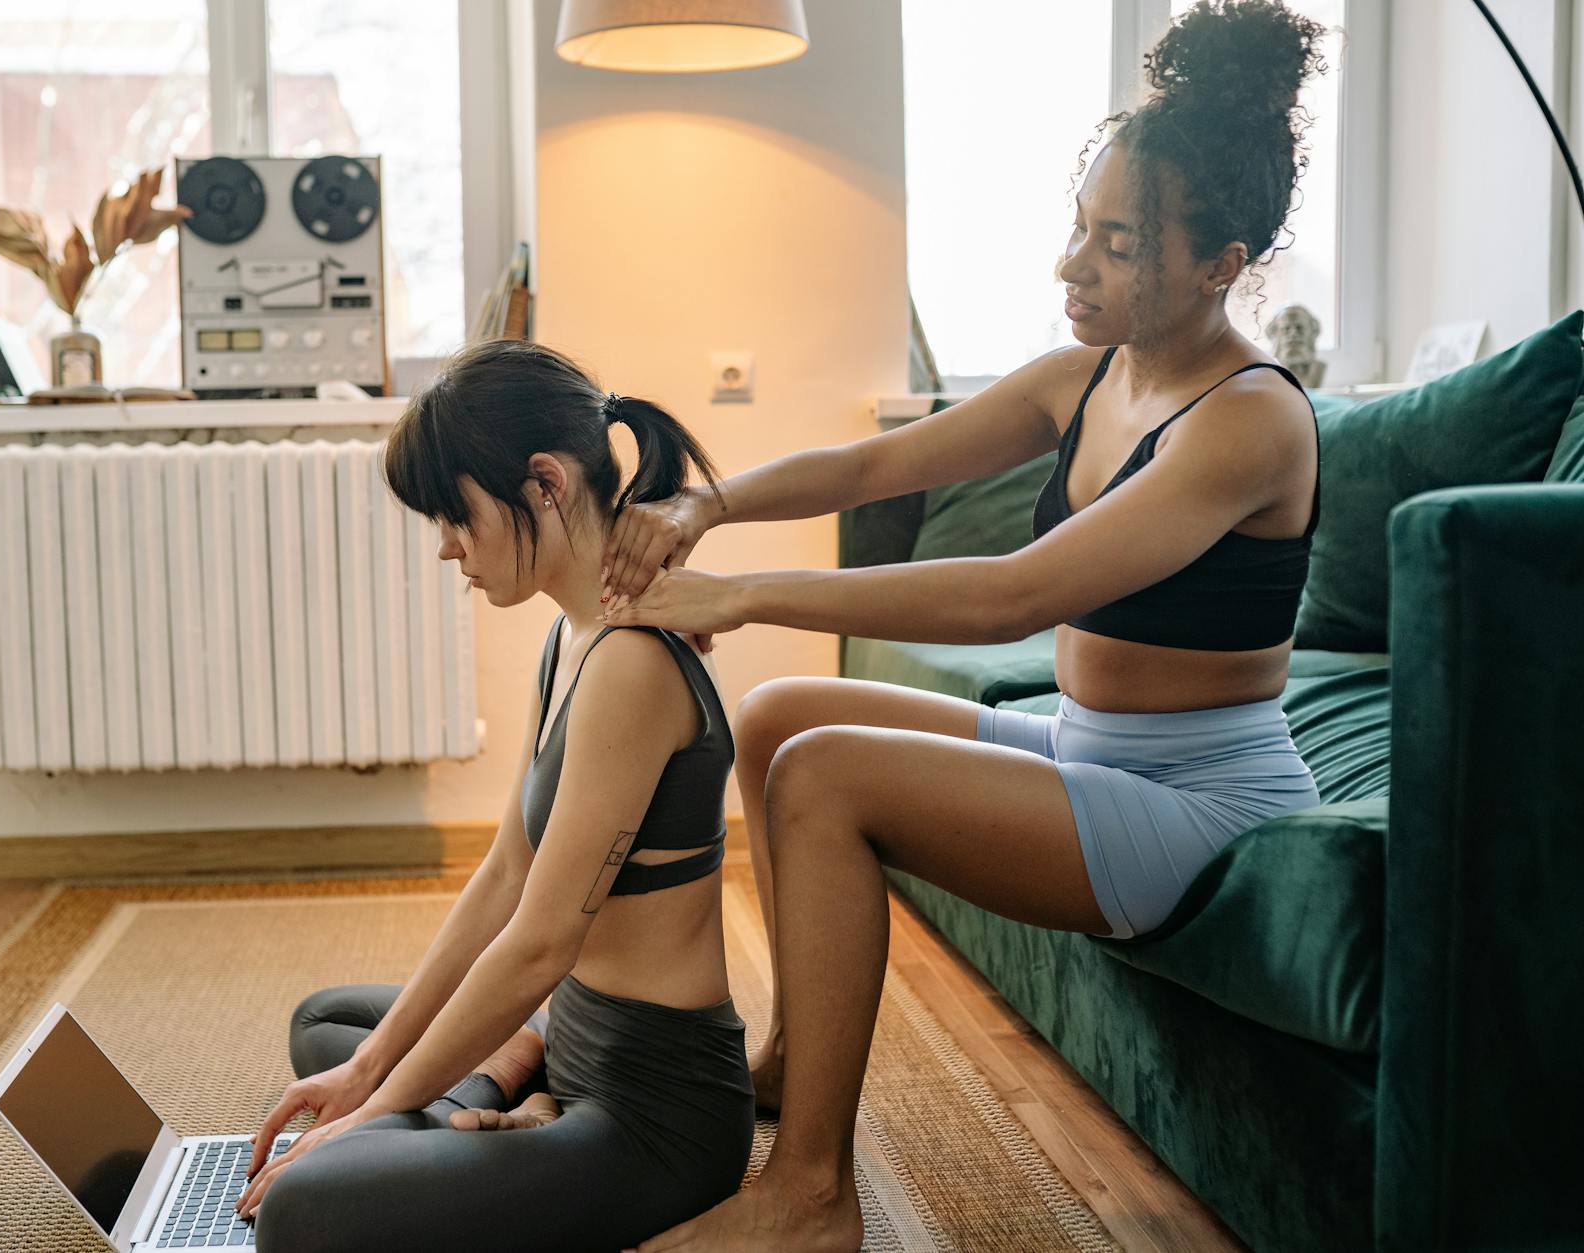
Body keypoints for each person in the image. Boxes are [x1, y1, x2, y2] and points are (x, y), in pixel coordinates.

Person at [597, 3, 1331, 1248]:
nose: (1071, 267)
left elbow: (1012, 592)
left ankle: (808, 1198)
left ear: (1221, 262)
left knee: (825, 775)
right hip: (1090, 749)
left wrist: (744, 593)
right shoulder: (1083, 376)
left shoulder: (1248, 419)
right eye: (1077, 229)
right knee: (778, 717)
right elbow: (866, 467)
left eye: (1116, 243)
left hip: (1203, 806)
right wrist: (705, 502)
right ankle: (785, 1058)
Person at [235, 338, 756, 1253]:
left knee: (302, 1211)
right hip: (572, 1040)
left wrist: (367, 1115)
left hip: (652, 1116)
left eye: (458, 516)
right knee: (329, 1029)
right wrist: (365, 1072)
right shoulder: (573, 638)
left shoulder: (630, 663)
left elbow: (542, 938)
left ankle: (497, 1097)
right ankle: (509, 1078)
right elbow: (508, 870)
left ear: (544, 484)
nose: (446, 548)